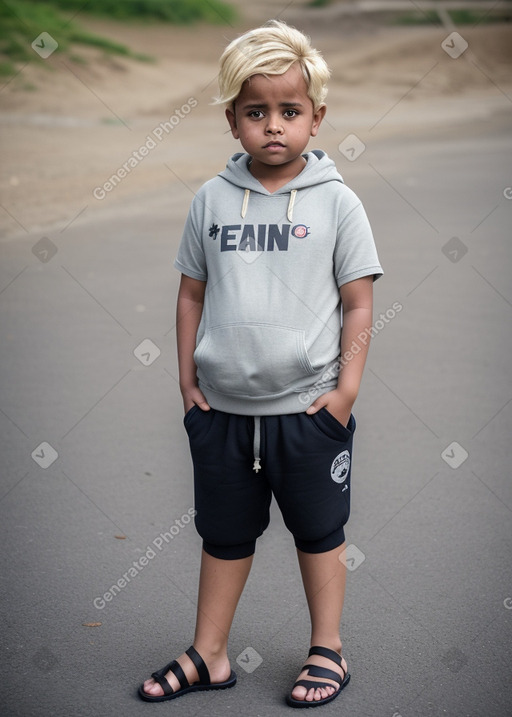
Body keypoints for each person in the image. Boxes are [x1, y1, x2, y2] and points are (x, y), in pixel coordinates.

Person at [139, 19, 382, 708]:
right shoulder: (211, 200)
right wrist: (187, 384)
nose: (273, 125)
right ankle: (209, 651)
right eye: (256, 112)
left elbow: (358, 306)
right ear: (232, 119)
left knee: (319, 532)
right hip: (220, 415)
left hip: (307, 413)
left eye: (289, 110)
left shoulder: (338, 203)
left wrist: (345, 393)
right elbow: (191, 293)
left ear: (316, 117)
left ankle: (327, 647)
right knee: (223, 535)